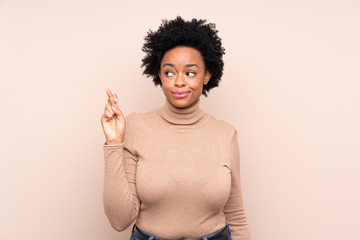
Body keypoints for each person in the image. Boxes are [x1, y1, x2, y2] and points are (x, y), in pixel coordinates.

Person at [100, 16, 251, 240]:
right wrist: (114, 143)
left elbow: (236, 216)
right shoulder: (135, 127)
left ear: (207, 75)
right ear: (159, 74)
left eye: (190, 73)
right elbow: (119, 220)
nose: (179, 81)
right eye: (169, 72)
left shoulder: (225, 134)